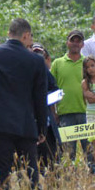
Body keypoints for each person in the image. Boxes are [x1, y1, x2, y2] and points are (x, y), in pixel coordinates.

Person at [0, 18, 47, 190]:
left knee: (1, 175)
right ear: (26, 36)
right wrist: (42, 129)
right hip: (25, 124)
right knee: (30, 175)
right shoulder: (36, 61)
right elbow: (40, 97)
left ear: (9, 34)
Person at [51, 29, 88, 163]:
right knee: (67, 154)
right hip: (64, 113)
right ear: (67, 43)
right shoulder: (57, 63)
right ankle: (69, 180)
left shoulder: (87, 62)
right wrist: (53, 111)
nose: (75, 43)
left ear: (83, 44)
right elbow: (52, 89)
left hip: (86, 113)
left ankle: (93, 179)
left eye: (78, 41)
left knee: (89, 152)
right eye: (72, 40)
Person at [32, 43, 61, 172]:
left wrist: (43, 99)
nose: (37, 57)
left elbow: (57, 92)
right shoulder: (22, 70)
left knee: (51, 157)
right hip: (29, 122)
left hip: (47, 123)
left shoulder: (45, 71)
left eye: (40, 54)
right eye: (34, 54)